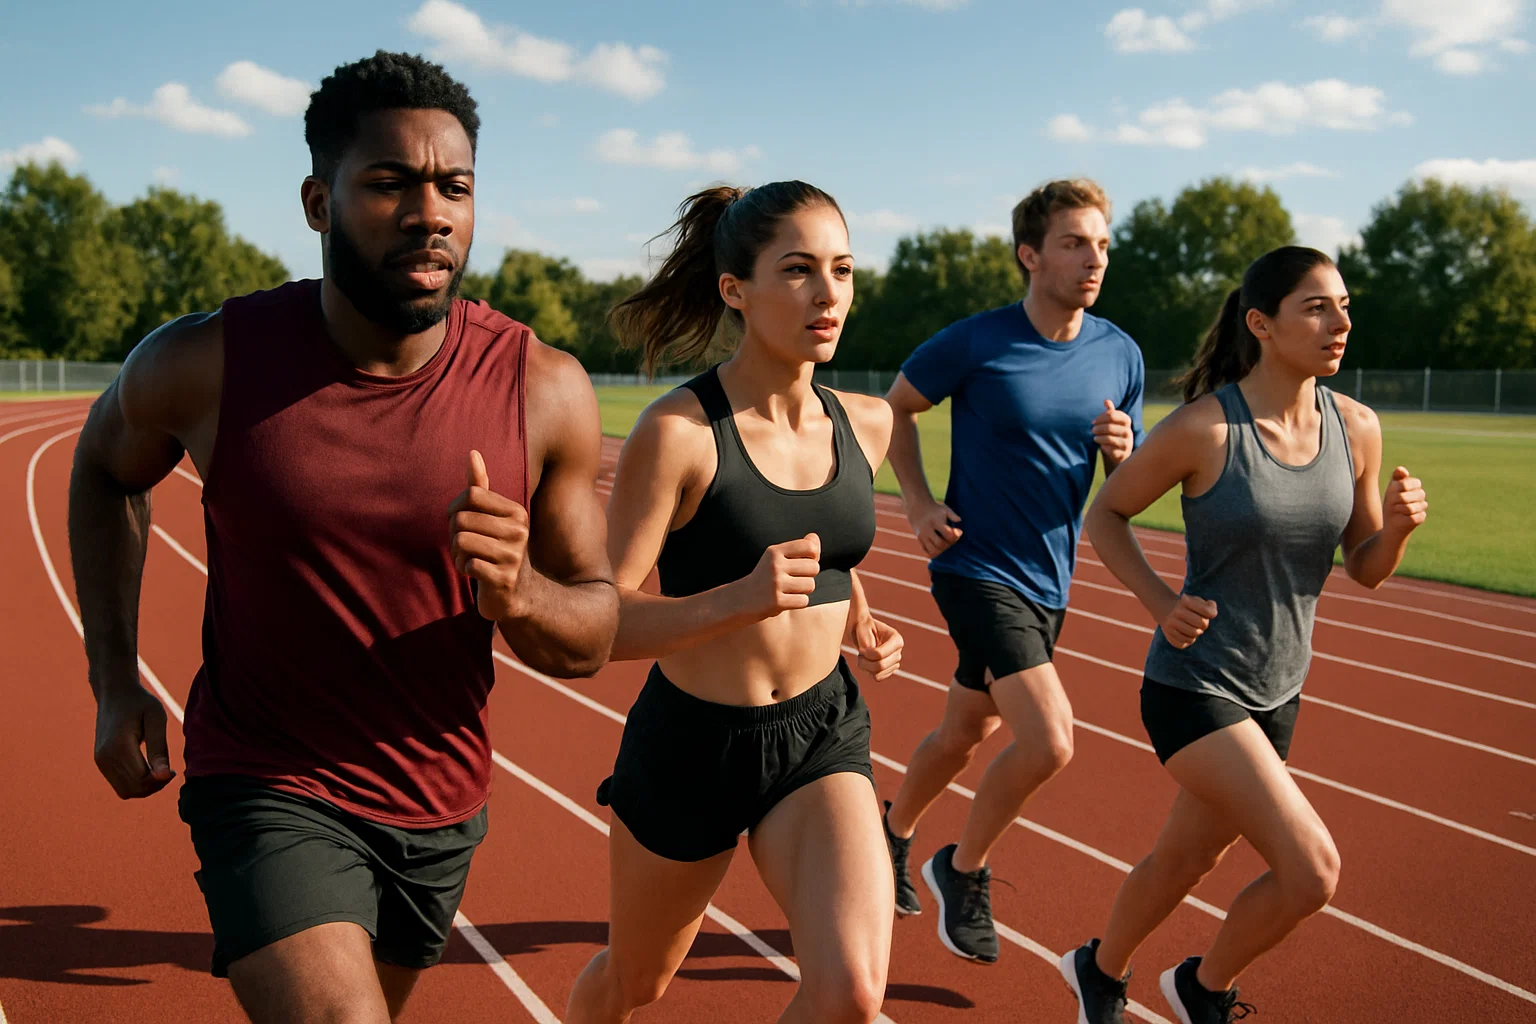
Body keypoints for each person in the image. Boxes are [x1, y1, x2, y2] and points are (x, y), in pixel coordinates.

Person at [67, 51, 619, 1023]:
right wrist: (114, 679)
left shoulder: (545, 391)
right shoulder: (206, 363)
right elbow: (103, 470)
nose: (430, 212)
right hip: (264, 778)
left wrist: (521, 590)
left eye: (455, 186)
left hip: (439, 800)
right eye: (388, 184)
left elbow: (592, 631)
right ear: (319, 201)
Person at [563, 181, 905, 1024]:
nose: (828, 295)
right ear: (734, 290)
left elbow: (828, 554)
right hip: (694, 746)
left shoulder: (867, 423)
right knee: (632, 985)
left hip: (821, 731)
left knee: (852, 995)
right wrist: (740, 601)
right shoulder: (679, 435)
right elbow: (602, 624)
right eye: (797, 271)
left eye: (843, 270)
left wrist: (859, 619)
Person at [1059, 246, 1428, 1024]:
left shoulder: (1356, 428)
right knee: (1312, 871)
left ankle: (1100, 967)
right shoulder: (1206, 428)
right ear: (1262, 324)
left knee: (1186, 857)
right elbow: (1107, 514)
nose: (1340, 323)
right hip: (1194, 683)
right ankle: (1203, 987)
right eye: (1318, 307)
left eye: (1344, 305)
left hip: (1279, 690)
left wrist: (1393, 531)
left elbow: (1364, 569)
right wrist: (1160, 602)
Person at [879, 179, 1145, 963]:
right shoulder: (977, 340)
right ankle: (962, 870)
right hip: (974, 565)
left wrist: (1123, 452)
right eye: (1073, 243)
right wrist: (919, 504)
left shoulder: (1120, 353)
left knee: (967, 727)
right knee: (1051, 741)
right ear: (1030, 254)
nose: (1092, 259)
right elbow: (897, 407)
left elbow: (1122, 475)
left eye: (1100, 244)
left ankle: (890, 833)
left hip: (1048, 578)